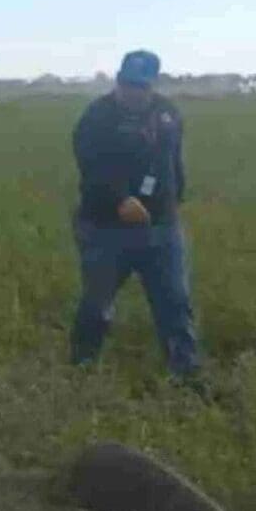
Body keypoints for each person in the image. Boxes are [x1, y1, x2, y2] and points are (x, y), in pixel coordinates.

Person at [70, 49, 199, 379]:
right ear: (117, 80)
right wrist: (119, 199)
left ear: (152, 85)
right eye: (127, 84)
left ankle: (185, 376)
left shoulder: (168, 115)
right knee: (97, 305)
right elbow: (92, 168)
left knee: (175, 304)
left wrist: (174, 200)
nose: (133, 92)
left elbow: (173, 163)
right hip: (106, 229)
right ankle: (81, 371)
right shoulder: (96, 117)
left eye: (141, 86)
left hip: (161, 228)